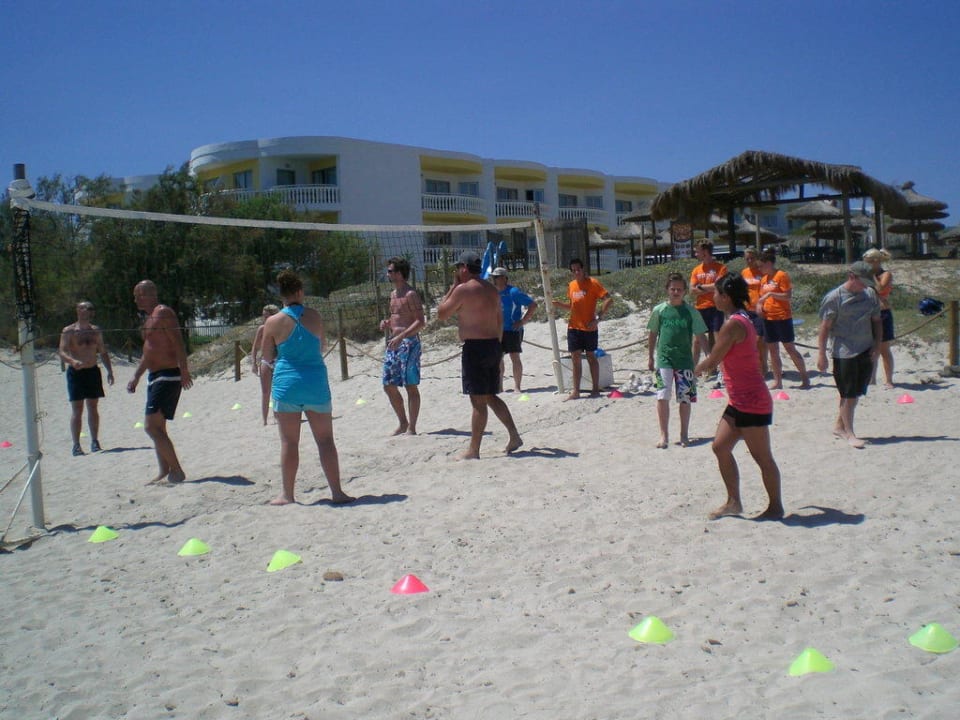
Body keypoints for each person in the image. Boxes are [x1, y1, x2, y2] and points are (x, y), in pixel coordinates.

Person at [261, 269, 354, 505]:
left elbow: (265, 362)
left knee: (289, 443)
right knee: (325, 441)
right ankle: (337, 492)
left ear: (281, 295)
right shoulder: (314, 316)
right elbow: (321, 346)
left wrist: (265, 395)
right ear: (300, 292)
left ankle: (287, 495)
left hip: (286, 384)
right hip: (314, 383)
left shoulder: (272, 322)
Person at [695, 273, 784, 521]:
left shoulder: (733, 324)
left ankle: (776, 507)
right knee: (720, 447)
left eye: (716, 293)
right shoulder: (744, 317)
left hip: (752, 401)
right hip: (738, 399)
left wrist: (691, 372)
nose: (712, 297)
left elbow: (713, 360)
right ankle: (734, 502)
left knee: (762, 458)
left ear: (725, 297)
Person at [437, 251, 523, 459]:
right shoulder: (491, 289)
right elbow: (499, 320)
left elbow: (441, 314)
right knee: (490, 396)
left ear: (464, 268)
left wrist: (452, 287)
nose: (457, 272)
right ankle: (514, 435)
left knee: (478, 401)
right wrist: (499, 349)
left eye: (459, 268)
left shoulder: (463, 290)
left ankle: (473, 450)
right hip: (494, 344)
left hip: (476, 349)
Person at [126, 280, 193, 484]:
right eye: (135, 295)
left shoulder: (163, 313)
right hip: (154, 376)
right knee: (159, 428)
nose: (136, 299)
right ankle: (164, 469)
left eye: (139, 294)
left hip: (168, 374)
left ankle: (177, 470)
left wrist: (184, 370)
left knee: (151, 427)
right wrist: (136, 376)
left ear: (151, 294)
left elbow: (178, 341)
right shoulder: (147, 319)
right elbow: (148, 353)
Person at [816, 261, 882, 449]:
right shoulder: (834, 297)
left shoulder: (869, 295)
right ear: (852, 277)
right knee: (848, 394)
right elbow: (824, 328)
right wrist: (822, 355)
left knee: (856, 392)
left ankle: (839, 426)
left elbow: (877, 321)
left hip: (865, 348)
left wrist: (877, 345)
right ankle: (850, 433)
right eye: (863, 281)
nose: (865, 286)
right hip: (844, 352)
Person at [647, 273, 708, 449]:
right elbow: (652, 334)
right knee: (662, 396)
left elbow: (700, 336)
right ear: (667, 289)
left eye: (679, 289)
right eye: (673, 289)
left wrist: (710, 358)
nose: (676, 292)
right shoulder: (659, 310)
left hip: (685, 361)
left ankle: (684, 434)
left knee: (685, 398)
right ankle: (664, 435)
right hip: (664, 359)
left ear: (684, 291)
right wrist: (650, 356)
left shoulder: (691, 312)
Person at [58, 300, 114, 455]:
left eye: (90, 308)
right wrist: (72, 361)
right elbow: (62, 351)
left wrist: (109, 371)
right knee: (77, 409)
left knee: (93, 406)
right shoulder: (69, 331)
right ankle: (76, 444)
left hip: (92, 371)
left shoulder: (95, 331)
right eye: (84, 308)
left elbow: (102, 351)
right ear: (77, 310)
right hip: (76, 373)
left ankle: (94, 441)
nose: (87, 311)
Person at [552, 258, 613, 399]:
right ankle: (576, 391)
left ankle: (595, 389)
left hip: (589, 328)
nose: (576, 272)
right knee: (575, 359)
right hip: (573, 327)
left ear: (583, 269)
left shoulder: (593, 283)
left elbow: (609, 299)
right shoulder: (571, 285)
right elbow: (572, 306)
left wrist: (598, 318)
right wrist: (557, 304)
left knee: (591, 357)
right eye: (573, 270)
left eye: (578, 269)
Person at [379, 256, 425, 435]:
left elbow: (420, 322)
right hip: (394, 343)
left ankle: (412, 427)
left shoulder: (410, 294)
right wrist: (387, 323)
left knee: (410, 385)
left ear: (399, 273)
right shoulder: (393, 294)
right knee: (388, 384)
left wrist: (403, 335)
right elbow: (397, 318)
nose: (388, 274)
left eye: (390, 271)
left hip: (409, 343)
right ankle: (403, 422)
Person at [756, 249, 809, 389]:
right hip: (768, 318)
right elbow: (761, 298)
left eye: (761, 265)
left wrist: (771, 295)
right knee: (773, 351)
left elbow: (787, 296)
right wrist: (759, 306)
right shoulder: (763, 279)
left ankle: (805, 377)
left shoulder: (781, 275)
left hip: (782, 317)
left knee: (790, 348)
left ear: (768, 263)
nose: (759, 268)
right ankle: (777, 381)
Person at [490, 266, 538, 393]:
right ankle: (499, 386)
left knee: (514, 357)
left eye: (498, 277)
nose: (495, 279)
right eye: (494, 277)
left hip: (512, 330)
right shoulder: (492, 292)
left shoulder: (514, 292)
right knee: (498, 358)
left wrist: (522, 321)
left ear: (505, 278)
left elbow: (533, 305)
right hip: (497, 330)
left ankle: (517, 386)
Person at [689, 239, 728, 364]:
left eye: (697, 252)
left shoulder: (721, 268)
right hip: (700, 307)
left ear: (705, 252)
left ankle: (715, 366)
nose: (696, 254)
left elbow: (719, 286)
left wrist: (701, 287)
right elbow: (691, 289)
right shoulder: (696, 270)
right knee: (698, 339)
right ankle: (694, 367)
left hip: (717, 306)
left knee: (715, 336)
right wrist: (709, 288)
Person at [863, 248, 895, 388]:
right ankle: (871, 378)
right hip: (868, 313)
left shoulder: (885, 274)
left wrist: (872, 274)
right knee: (870, 348)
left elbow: (880, 288)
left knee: (883, 348)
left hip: (882, 313)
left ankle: (888, 380)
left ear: (876, 262)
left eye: (869, 262)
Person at [740, 247, 768, 375]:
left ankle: (763, 367)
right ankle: (755, 367)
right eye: (747, 259)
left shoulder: (762, 271)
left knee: (759, 340)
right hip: (746, 310)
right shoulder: (744, 272)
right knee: (748, 341)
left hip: (760, 310)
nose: (749, 261)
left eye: (752, 258)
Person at [251, 304, 280, 426]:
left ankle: (277, 417)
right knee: (265, 392)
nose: (264, 319)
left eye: (266, 316)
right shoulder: (262, 329)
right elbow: (255, 347)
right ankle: (264, 420)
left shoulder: (280, 327)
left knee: (278, 391)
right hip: (266, 361)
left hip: (279, 361)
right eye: (264, 316)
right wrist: (253, 362)